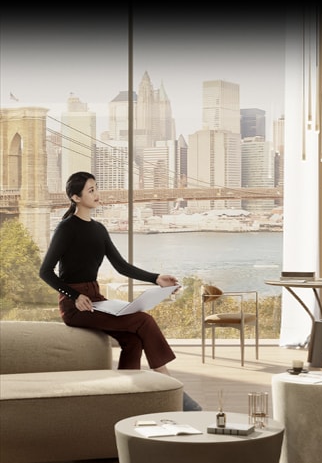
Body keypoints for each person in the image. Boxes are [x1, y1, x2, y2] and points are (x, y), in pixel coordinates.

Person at [39, 171, 202, 411]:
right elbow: (45, 271)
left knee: (133, 339)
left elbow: (121, 266)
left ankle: (126, 397)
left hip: (96, 299)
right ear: (75, 197)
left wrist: (156, 279)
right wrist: (75, 296)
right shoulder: (66, 228)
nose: (97, 194)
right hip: (75, 306)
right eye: (91, 190)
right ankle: (172, 388)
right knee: (144, 322)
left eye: (96, 188)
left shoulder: (99, 229)